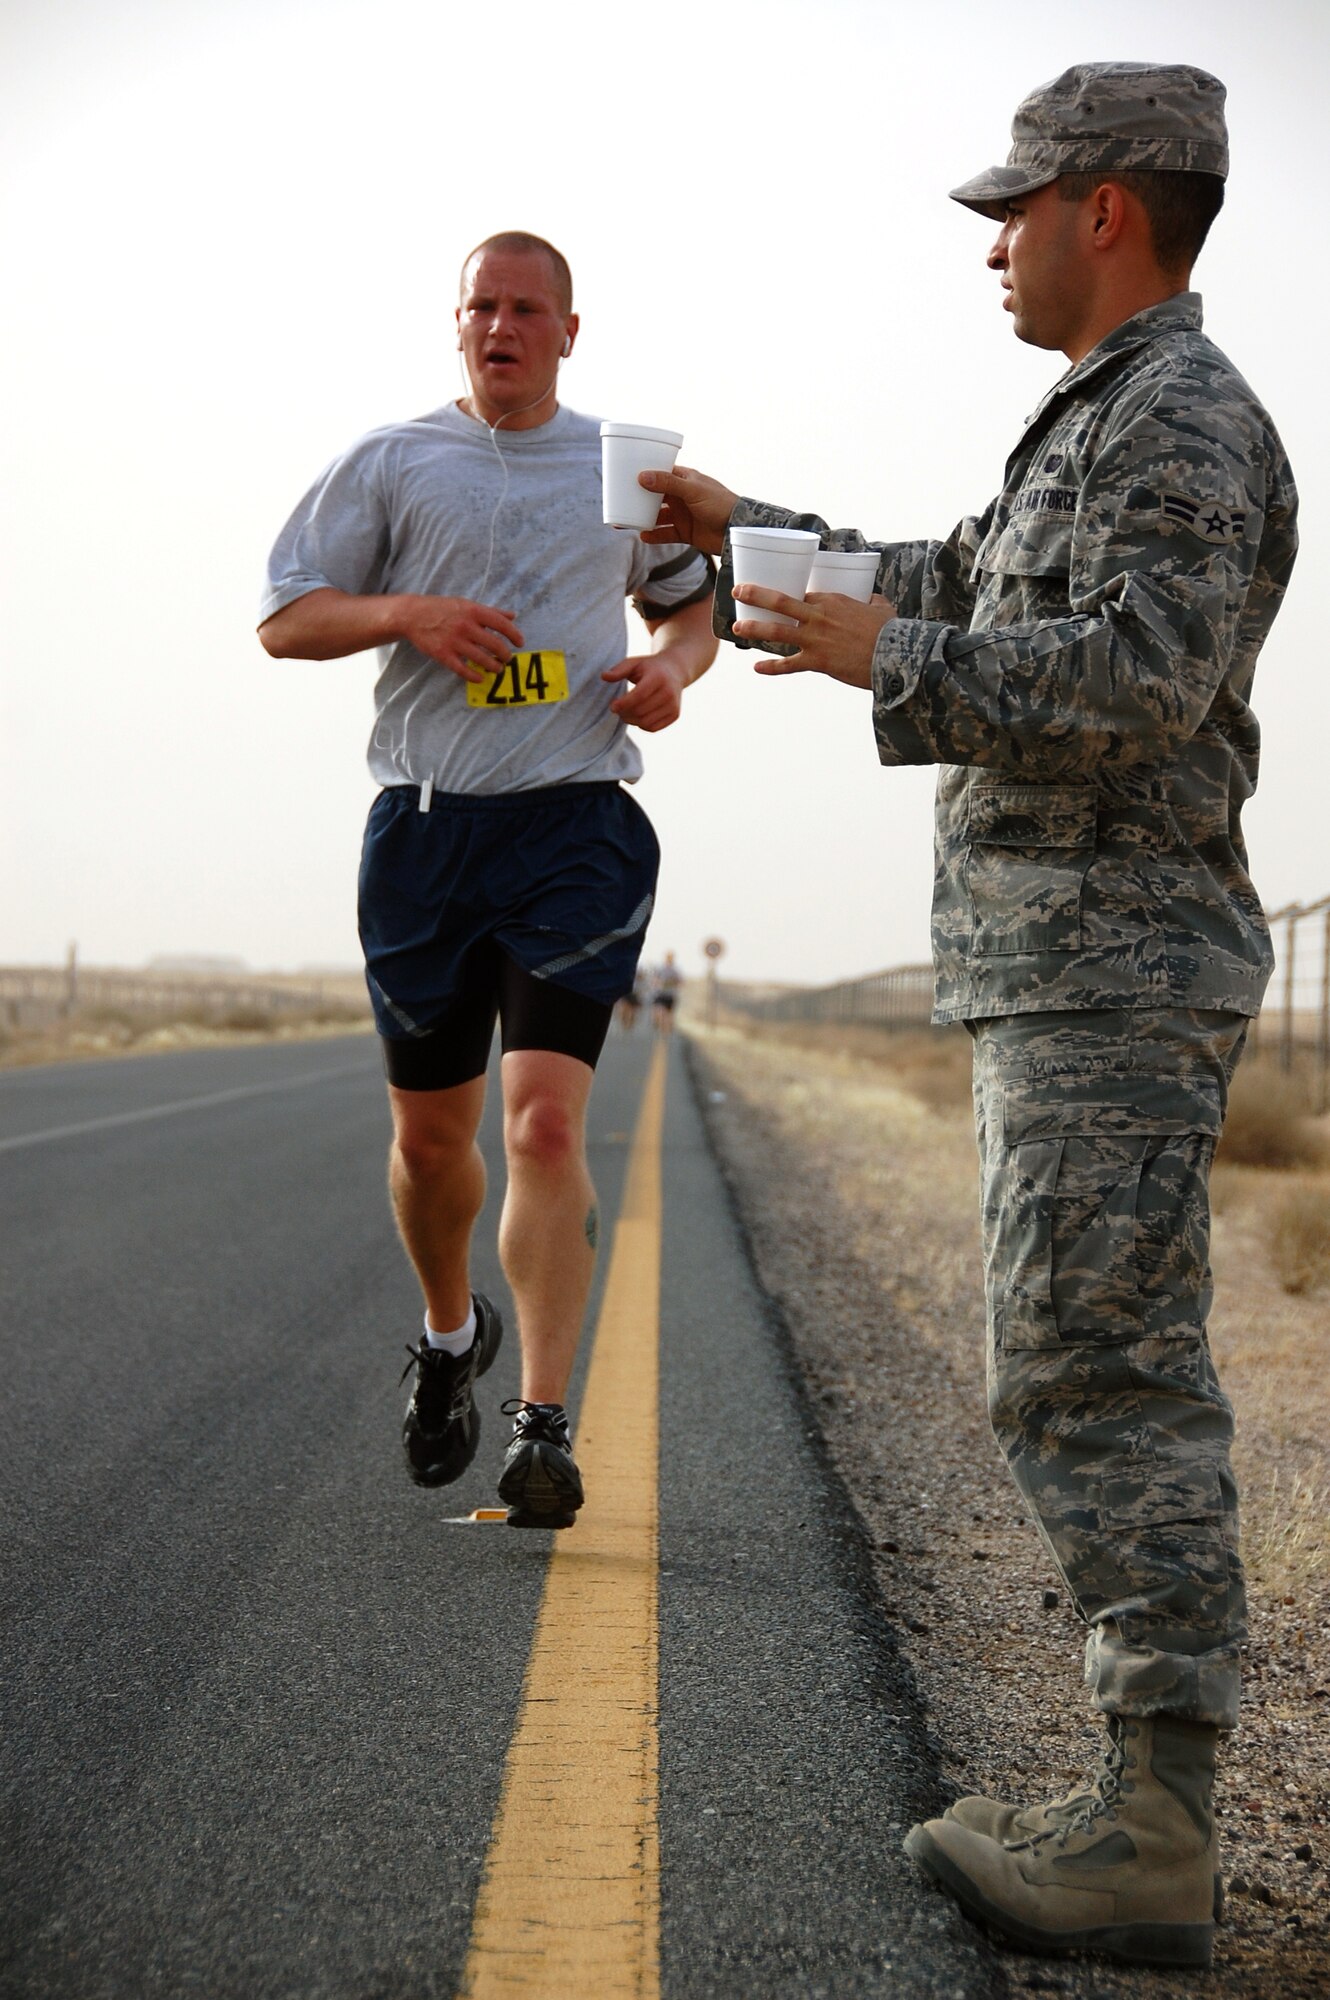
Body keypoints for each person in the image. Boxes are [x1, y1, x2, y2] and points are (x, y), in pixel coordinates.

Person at [639, 64, 1296, 1970]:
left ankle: (1157, 1829)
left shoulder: (1179, 415)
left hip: (1117, 971)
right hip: (1066, 969)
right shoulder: (1101, 416)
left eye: (1015, 207)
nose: (992, 243)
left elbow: (1143, 676)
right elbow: (965, 580)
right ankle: (1130, 1796)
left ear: (1112, 207)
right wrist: (749, 533)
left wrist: (889, 655)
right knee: (1068, 1367)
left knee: (1106, 1379)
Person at [259, 231, 716, 1528]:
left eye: (525, 308)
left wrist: (673, 670)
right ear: (454, 325)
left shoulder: (625, 468)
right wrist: (408, 614)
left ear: (571, 330)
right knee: (429, 1140)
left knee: (544, 1124)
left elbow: (694, 608)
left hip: (572, 828)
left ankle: (544, 1428)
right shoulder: (393, 461)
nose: (499, 326)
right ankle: (453, 1334)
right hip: (423, 832)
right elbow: (286, 615)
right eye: (479, 307)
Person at [651, 950, 684, 1033]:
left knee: (668, 1016)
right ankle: (658, 1022)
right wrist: (658, 983)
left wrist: (672, 983)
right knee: (658, 1012)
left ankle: (666, 1032)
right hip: (660, 994)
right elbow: (654, 980)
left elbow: (681, 982)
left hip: (670, 995)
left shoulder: (676, 970)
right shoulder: (660, 968)